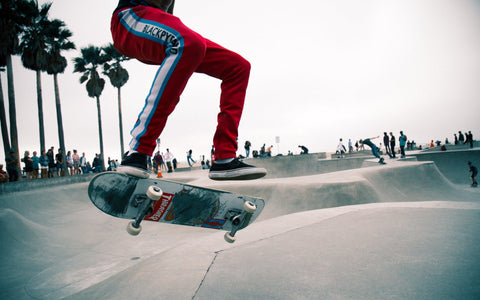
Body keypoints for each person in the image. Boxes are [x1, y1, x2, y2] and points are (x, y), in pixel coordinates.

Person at [111, 0, 266, 181]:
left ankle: (225, 156)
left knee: (238, 67)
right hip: (129, 20)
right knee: (190, 42)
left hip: (158, 30)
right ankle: (138, 150)